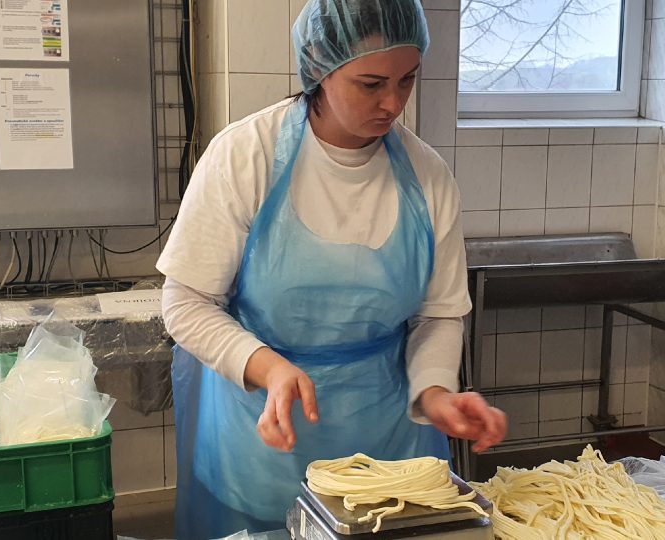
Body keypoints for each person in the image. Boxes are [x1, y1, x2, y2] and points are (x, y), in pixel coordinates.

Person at [157, 0, 507, 537]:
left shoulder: (427, 176)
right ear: (319, 64)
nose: (393, 103)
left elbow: (437, 314)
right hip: (263, 442)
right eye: (371, 84)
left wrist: (435, 392)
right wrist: (269, 368)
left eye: (407, 80)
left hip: (388, 446)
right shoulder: (246, 156)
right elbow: (186, 303)